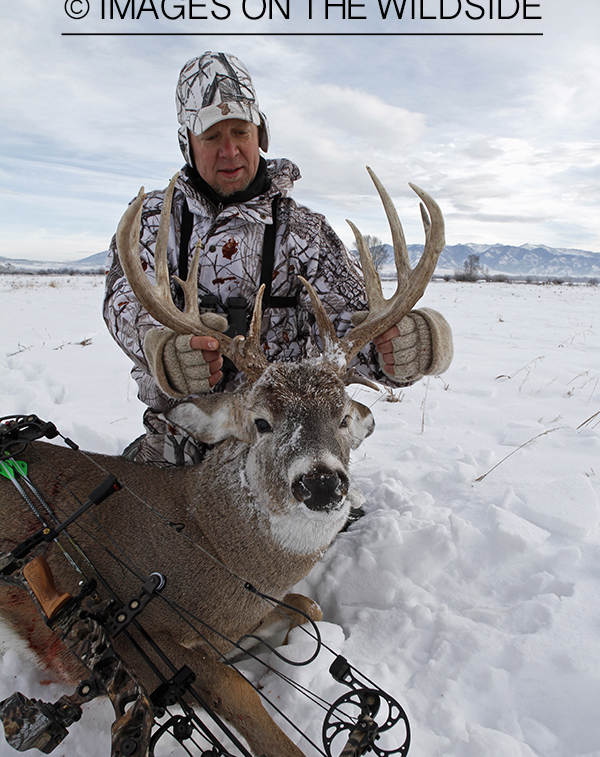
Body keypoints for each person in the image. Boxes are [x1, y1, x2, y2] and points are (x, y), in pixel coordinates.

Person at [104, 52, 453, 465]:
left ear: (261, 134)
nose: (230, 150)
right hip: (183, 436)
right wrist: (160, 349)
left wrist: (415, 345)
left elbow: (356, 330)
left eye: (240, 131)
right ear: (187, 144)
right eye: (211, 137)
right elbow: (123, 301)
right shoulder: (151, 222)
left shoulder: (306, 233)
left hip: (293, 442)